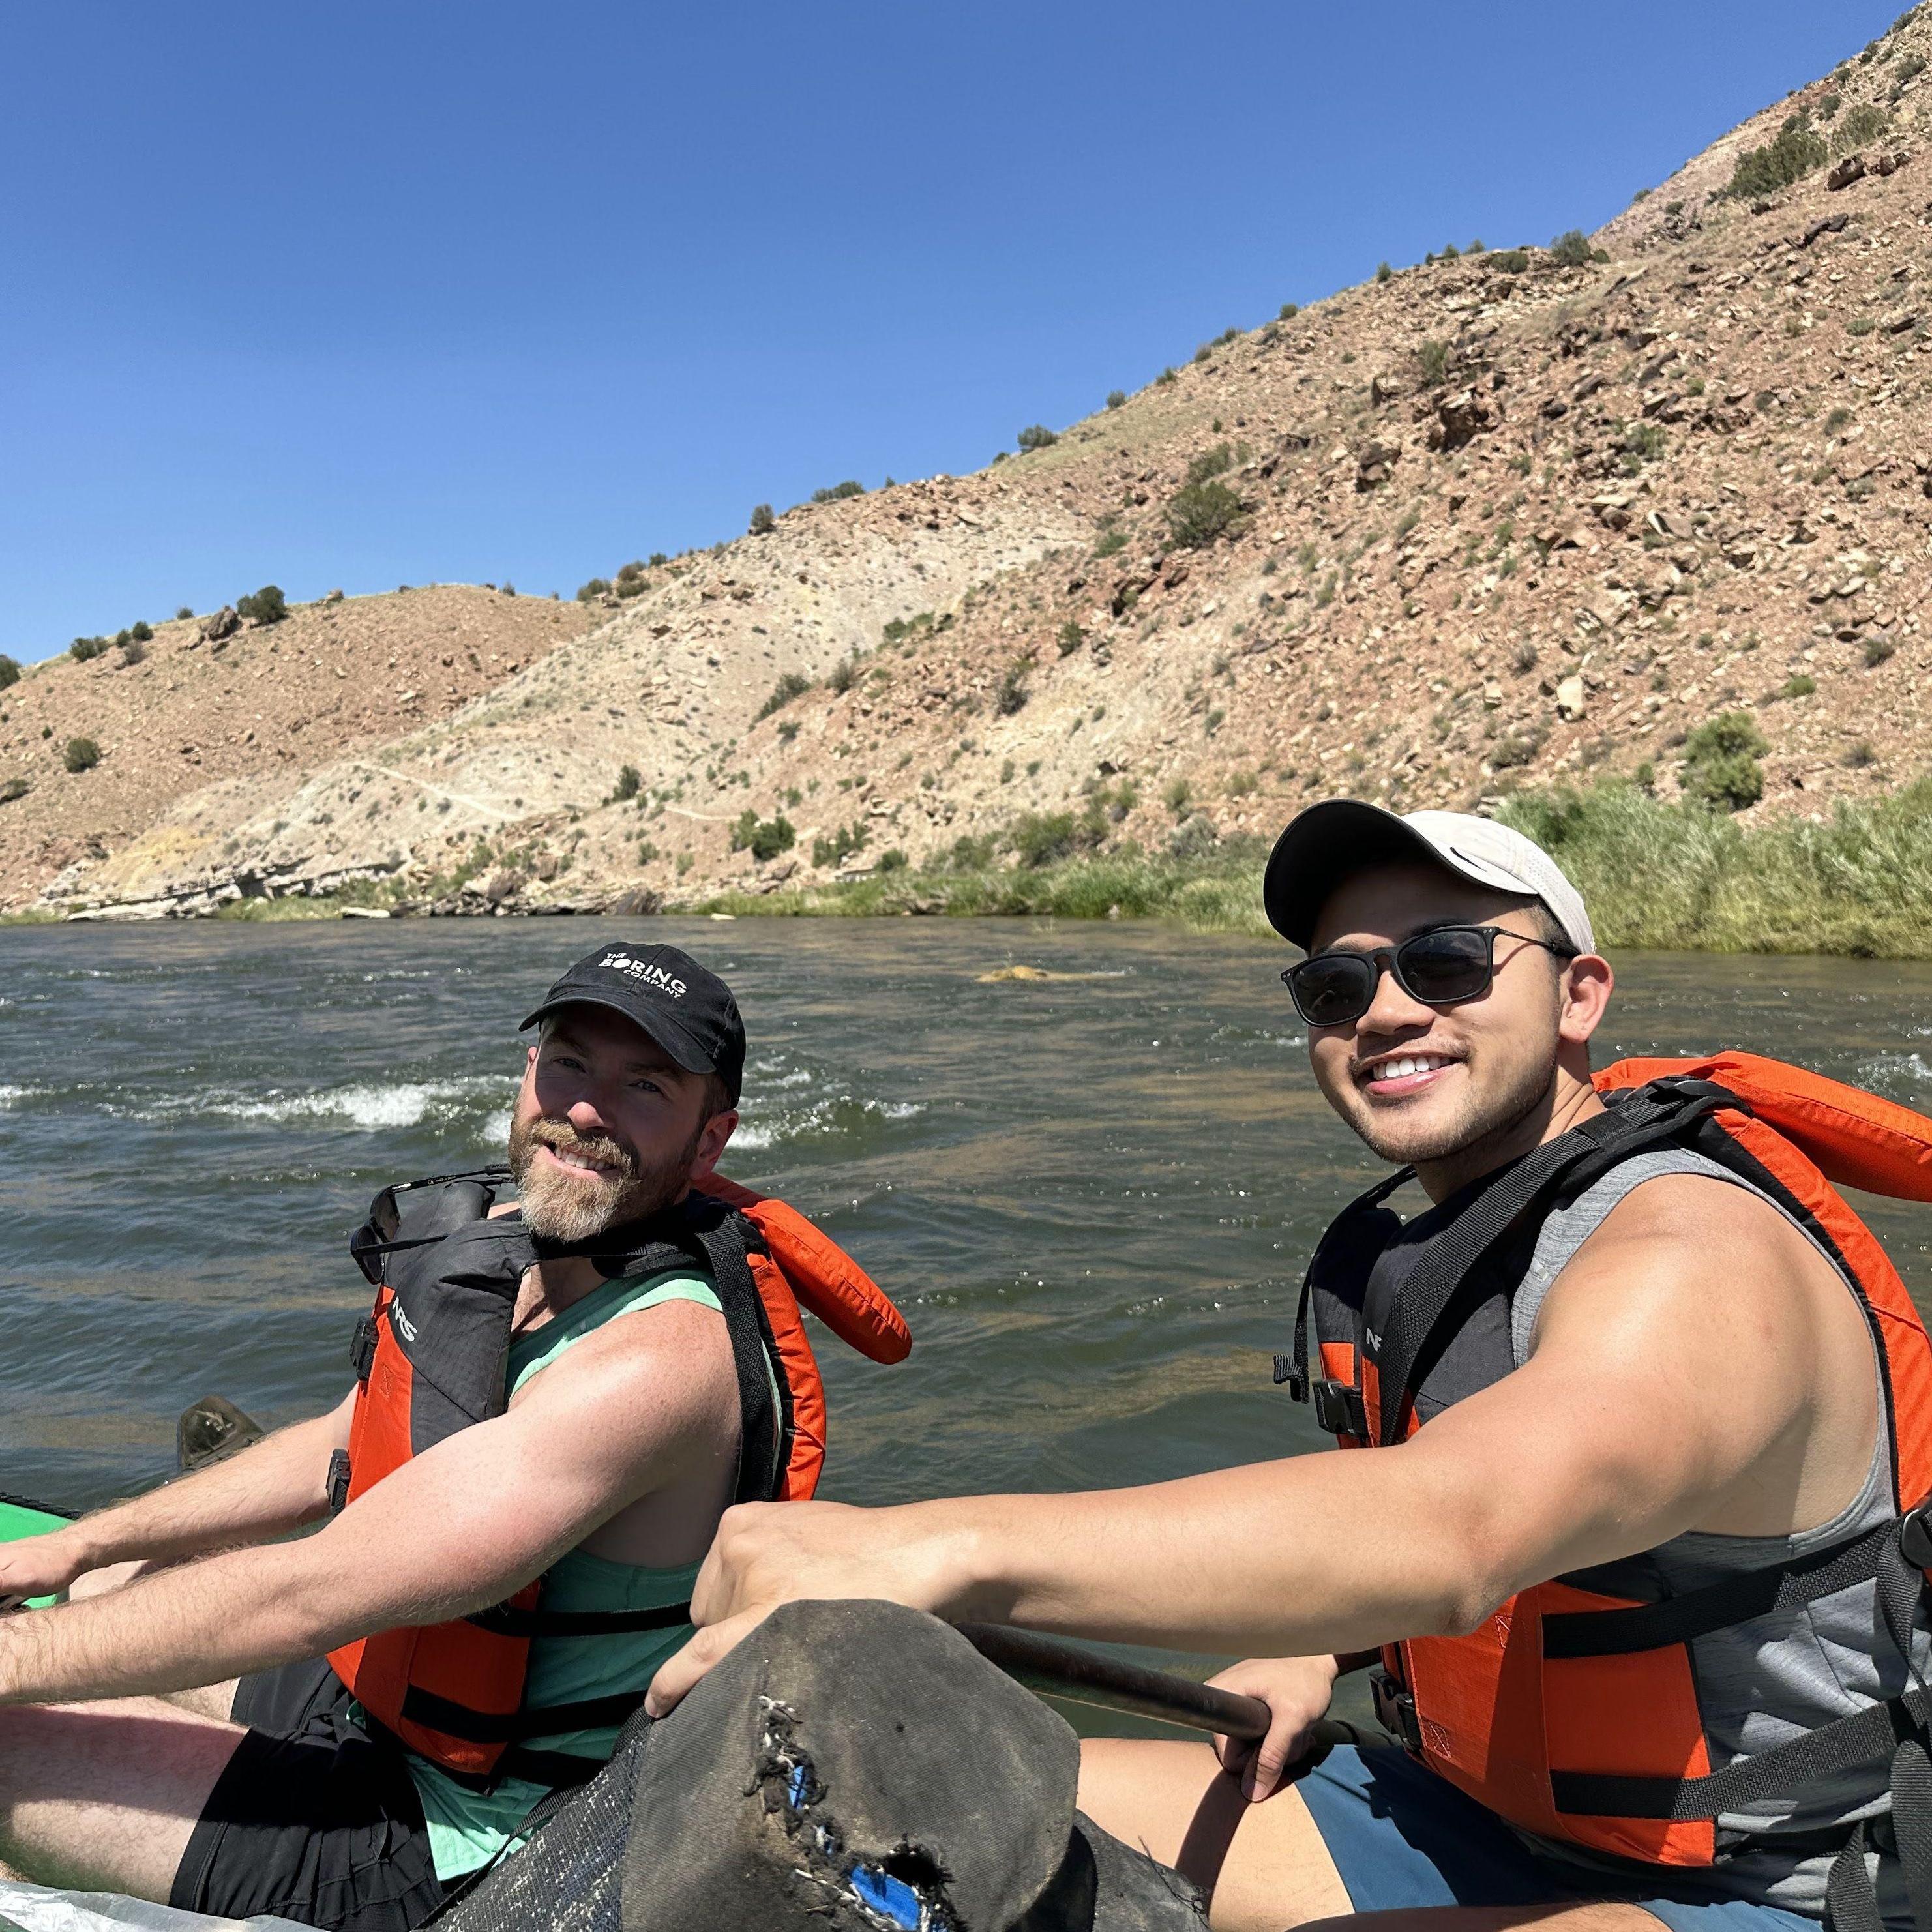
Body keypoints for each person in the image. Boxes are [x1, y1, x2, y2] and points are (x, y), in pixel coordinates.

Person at [648, 801, 1932, 1932]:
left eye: (1446, 960)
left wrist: (922, 1546)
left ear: (1580, 994)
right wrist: (1333, 1644)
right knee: (918, 1801)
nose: (1383, 1011)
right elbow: (1484, 1541)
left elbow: (1463, 1523)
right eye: (1337, 988)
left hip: (1773, 1892)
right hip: (1479, 1818)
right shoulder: (1451, 1240)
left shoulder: (1695, 1250)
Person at [0, 942, 908, 1932]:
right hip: (385, 1701)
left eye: (643, 1086)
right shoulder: (535, 1247)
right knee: (86, 1591)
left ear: (709, 1140)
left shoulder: (656, 1363)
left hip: (454, 1842)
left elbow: (309, 1593)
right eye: (567, 1063)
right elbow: (342, 1440)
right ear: (524, 1077)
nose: (587, 1109)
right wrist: (83, 1540)